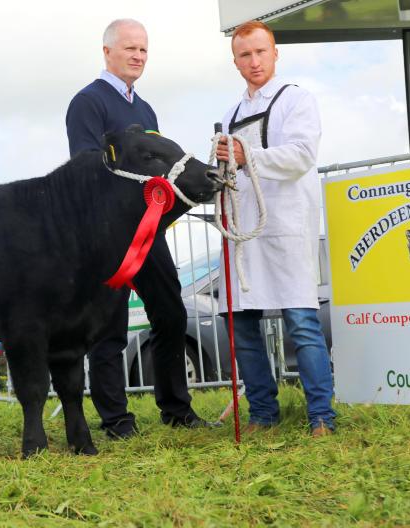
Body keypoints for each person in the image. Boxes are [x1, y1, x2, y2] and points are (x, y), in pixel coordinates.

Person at [65, 18, 212, 438]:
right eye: (130, 48)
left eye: (144, 50)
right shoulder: (87, 102)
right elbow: (86, 167)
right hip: (107, 236)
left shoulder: (145, 110)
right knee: (109, 326)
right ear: (107, 51)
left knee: (171, 313)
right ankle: (116, 419)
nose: (138, 56)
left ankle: (177, 409)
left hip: (148, 231)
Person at [215, 20, 336, 437]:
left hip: (285, 225)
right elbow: (230, 168)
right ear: (235, 61)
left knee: (300, 320)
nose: (254, 61)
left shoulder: (296, 100)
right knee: (240, 321)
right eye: (245, 55)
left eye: (260, 52)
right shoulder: (230, 115)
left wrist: (246, 155)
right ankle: (263, 412)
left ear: (275, 53)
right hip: (243, 230)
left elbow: (301, 155)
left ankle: (321, 416)